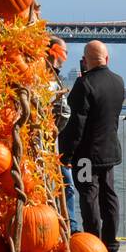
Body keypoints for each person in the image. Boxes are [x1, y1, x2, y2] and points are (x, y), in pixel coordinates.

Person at [59, 40, 125, 252]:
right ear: (107, 59)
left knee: (89, 197)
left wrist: (66, 155)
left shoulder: (84, 84)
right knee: (110, 196)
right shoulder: (118, 82)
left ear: (85, 61)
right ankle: (112, 246)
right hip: (109, 155)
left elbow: (75, 126)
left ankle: (93, 246)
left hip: (87, 158)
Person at [47, 36, 80, 234]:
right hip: (48, 145)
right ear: (55, 51)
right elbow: (63, 111)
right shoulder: (48, 77)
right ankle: (68, 228)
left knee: (65, 185)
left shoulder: (54, 76)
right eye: (65, 52)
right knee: (65, 185)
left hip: (52, 144)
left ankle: (68, 227)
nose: (67, 56)